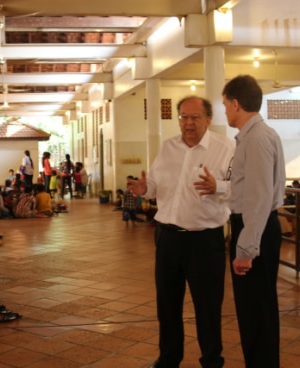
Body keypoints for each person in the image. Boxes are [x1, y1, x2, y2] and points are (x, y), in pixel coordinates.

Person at [128, 96, 234, 368]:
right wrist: (144, 190)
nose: (188, 123)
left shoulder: (226, 148)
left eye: (195, 117)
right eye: (184, 117)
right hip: (167, 238)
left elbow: (241, 189)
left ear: (208, 120)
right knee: (167, 305)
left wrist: (218, 187)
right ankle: (169, 358)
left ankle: (212, 361)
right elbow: (154, 184)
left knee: (208, 308)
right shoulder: (167, 148)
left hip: (205, 240)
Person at [222, 74, 286, 368]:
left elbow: (259, 198)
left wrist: (246, 249)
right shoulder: (255, 136)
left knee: (256, 310)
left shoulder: (257, 138)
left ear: (236, 103)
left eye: (225, 105)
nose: (225, 111)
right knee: (254, 310)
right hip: (255, 227)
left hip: (254, 230)